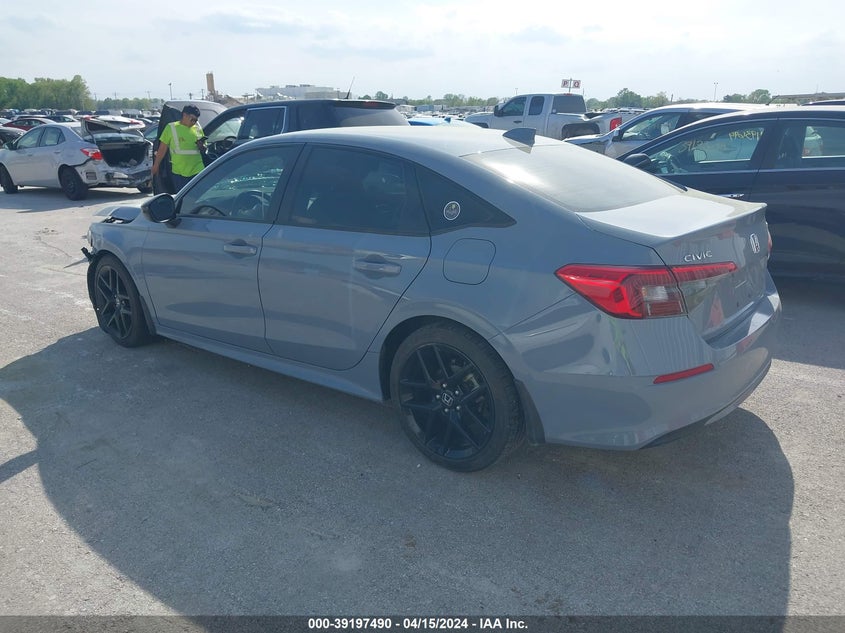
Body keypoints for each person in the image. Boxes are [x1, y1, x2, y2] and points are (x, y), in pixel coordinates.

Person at [151, 104, 206, 191]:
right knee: (183, 196)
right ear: (184, 115)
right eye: (192, 119)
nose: (194, 122)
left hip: (197, 170)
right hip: (179, 172)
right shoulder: (171, 128)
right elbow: (162, 149)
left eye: (196, 120)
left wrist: (202, 146)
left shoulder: (197, 129)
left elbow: (204, 149)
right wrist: (156, 165)